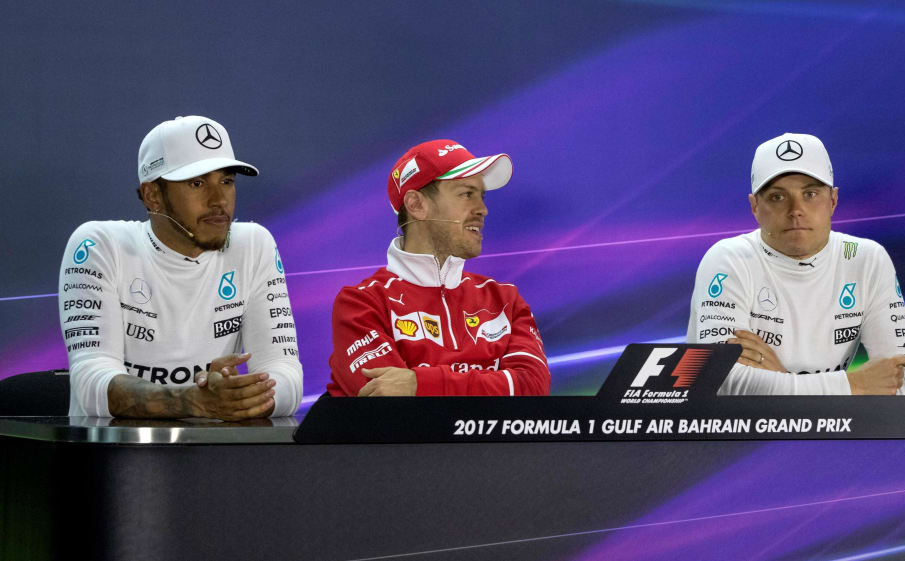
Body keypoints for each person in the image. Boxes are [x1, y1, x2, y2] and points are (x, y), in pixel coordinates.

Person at [59, 115, 303, 418]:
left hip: (216, 456)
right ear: (153, 196)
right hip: (114, 456)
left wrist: (240, 396)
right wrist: (194, 401)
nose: (219, 200)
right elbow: (90, 384)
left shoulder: (254, 244)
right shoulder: (99, 245)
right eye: (197, 183)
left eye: (226, 181)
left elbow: (286, 373)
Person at [687, 133, 905, 395]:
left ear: (833, 200)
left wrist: (782, 381)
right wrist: (853, 385)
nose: (796, 209)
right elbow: (725, 383)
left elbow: (904, 386)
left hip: (832, 434)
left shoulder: (867, 259)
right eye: (777, 197)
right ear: (754, 207)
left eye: (810, 194)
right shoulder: (728, 259)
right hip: (743, 435)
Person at [327, 140, 550, 396]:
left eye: (482, 196)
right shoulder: (362, 304)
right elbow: (391, 410)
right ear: (416, 205)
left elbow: (532, 389)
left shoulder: (505, 300)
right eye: (466, 194)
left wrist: (419, 384)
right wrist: (493, 385)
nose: (483, 210)